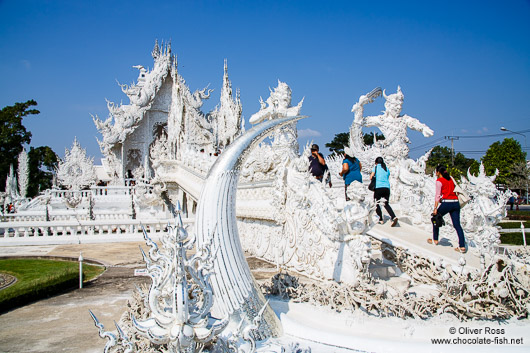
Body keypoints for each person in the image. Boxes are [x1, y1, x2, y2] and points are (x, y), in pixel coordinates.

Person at [428, 165, 466, 253]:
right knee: (457, 225)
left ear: (438, 172)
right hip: (455, 203)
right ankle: (462, 246)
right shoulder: (451, 179)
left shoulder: (439, 181)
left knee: (435, 218)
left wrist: (435, 208)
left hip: (447, 203)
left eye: (436, 172)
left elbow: (437, 195)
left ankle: (435, 239)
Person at [370, 157, 398, 226]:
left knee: (377, 203)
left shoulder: (376, 168)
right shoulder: (386, 168)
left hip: (379, 187)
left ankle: (380, 219)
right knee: (386, 203)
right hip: (387, 188)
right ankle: (393, 217)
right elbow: (387, 176)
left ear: (376, 162)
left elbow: (371, 177)